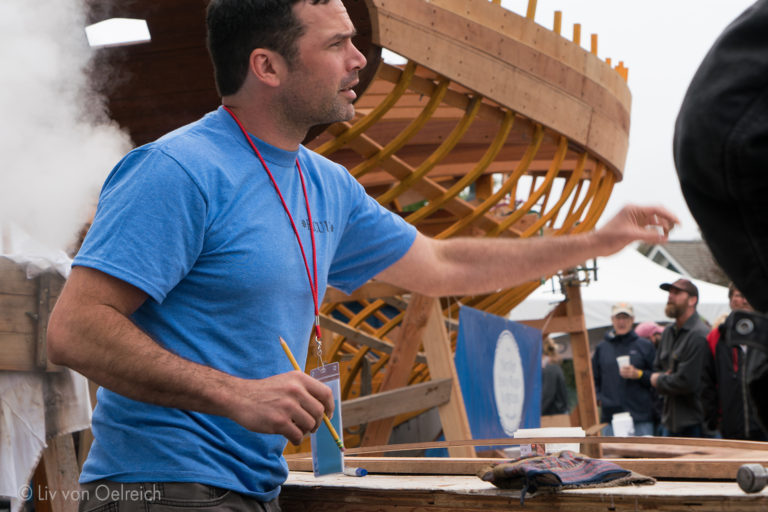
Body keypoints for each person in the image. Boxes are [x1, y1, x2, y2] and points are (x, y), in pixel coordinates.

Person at [45, 0, 679, 508]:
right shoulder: (177, 170)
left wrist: (598, 239)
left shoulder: (326, 184)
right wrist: (236, 395)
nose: (359, 59)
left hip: (249, 490)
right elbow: (74, 329)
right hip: (159, 492)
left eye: (355, 39)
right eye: (336, 45)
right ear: (267, 66)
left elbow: (442, 267)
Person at [704, 283, 767, 440]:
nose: (744, 301)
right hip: (730, 429)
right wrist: (713, 421)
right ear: (731, 300)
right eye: (739, 295)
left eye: (748, 295)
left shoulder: (764, 338)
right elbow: (706, 382)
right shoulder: (717, 337)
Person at [650, 278, 711, 437]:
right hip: (669, 420)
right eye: (670, 292)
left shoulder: (699, 334)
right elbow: (656, 368)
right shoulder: (668, 332)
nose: (670, 296)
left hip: (695, 424)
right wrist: (665, 378)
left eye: (677, 293)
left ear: (692, 300)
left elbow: (686, 382)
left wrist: (659, 379)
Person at [591, 302, 656, 436]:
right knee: (611, 457)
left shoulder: (645, 345)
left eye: (625, 318)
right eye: (618, 318)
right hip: (611, 417)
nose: (622, 322)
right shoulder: (602, 348)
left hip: (640, 416)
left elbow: (657, 377)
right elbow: (593, 378)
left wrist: (638, 374)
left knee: (645, 456)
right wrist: (598, 397)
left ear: (632, 320)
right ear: (612, 320)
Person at [541, 336, 569, 416]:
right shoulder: (554, 367)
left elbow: (547, 394)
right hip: (557, 412)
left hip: (554, 414)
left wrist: (536, 413)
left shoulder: (550, 369)